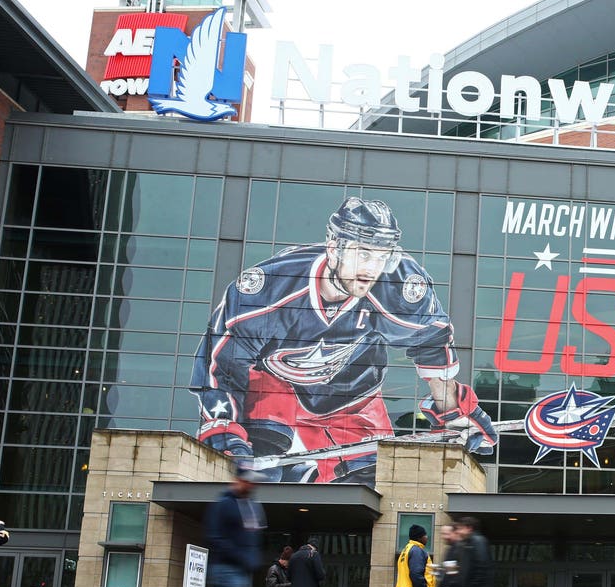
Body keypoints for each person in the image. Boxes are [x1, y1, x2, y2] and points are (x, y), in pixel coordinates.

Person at [191, 197, 498, 483]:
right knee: (267, 466)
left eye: (381, 256)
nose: (371, 268)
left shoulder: (399, 286)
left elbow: (431, 346)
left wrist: (454, 414)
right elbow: (222, 365)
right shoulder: (271, 288)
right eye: (363, 253)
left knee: (378, 484)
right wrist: (223, 425)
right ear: (334, 247)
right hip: (278, 392)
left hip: (354, 398)